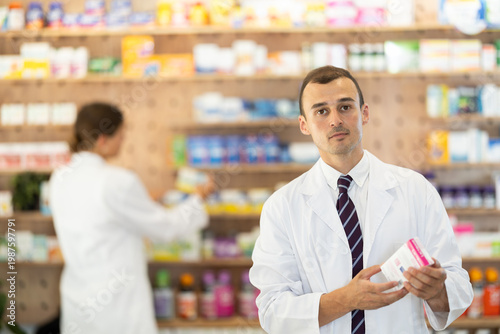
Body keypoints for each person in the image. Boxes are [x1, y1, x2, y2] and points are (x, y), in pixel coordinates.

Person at [249, 66, 473, 333]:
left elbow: (457, 283)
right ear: (304, 125)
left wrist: (437, 290)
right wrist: (345, 300)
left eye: (345, 107)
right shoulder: (282, 207)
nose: (335, 120)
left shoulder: (415, 190)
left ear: (364, 113)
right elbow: (273, 310)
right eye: (321, 111)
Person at [49, 102, 214, 334]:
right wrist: (197, 200)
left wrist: (148, 200)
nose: (123, 141)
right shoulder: (117, 181)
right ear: (102, 140)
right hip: (117, 307)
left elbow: (100, 215)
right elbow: (165, 228)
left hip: (78, 299)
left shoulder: (59, 178)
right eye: (120, 135)